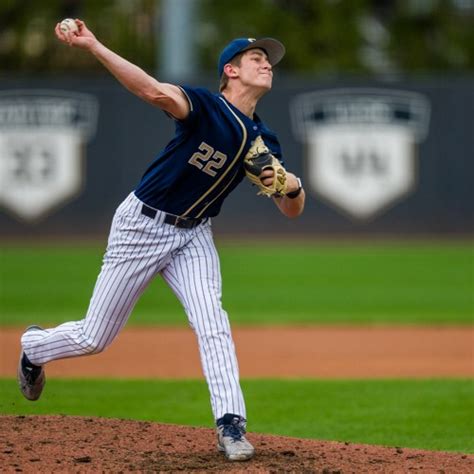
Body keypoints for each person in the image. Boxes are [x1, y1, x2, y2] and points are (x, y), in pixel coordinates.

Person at [17, 19, 305, 462]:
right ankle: (35, 347)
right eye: (256, 58)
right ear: (230, 70)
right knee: (96, 337)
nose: (267, 64)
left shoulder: (265, 140)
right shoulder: (207, 107)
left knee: (213, 322)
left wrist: (290, 185)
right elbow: (153, 91)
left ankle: (231, 425)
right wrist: (94, 43)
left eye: (268, 60)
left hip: (195, 234)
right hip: (142, 226)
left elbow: (291, 209)